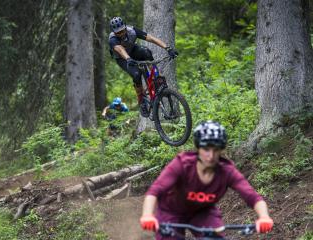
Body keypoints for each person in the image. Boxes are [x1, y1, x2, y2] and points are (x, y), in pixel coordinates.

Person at [140, 120, 274, 239]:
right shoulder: (182, 164)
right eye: (206, 149)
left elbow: (252, 197)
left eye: (216, 150)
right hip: (171, 212)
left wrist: (264, 217)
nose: (210, 156)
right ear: (198, 148)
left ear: (221, 150)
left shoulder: (227, 171)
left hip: (203, 212)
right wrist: (147, 215)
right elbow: (155, 191)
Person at [108, 16, 178, 117]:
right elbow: (119, 49)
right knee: (136, 74)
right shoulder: (112, 39)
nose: (121, 33)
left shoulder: (132, 31)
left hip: (133, 51)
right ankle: (141, 101)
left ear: (125, 27)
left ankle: (156, 78)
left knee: (146, 52)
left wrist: (167, 48)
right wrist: (128, 59)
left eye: (122, 30)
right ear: (114, 32)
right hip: (122, 59)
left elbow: (151, 38)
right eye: (118, 32)